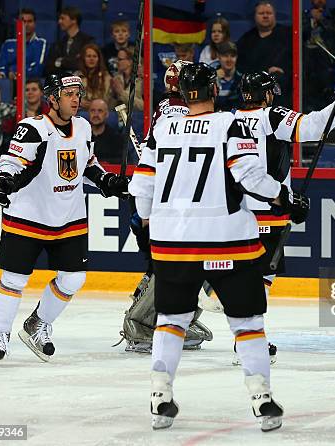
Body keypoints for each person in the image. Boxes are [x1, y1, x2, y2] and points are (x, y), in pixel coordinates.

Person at [128, 63, 308, 431]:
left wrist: (147, 227)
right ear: (213, 89)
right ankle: (261, 398)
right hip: (227, 240)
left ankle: (159, 396)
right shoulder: (229, 123)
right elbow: (251, 176)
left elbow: (142, 187)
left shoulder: (162, 128)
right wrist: (286, 198)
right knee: (247, 322)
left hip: (174, 242)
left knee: (172, 320)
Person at [0, 73, 129, 365]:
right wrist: (3, 180)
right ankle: (0, 333)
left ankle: (38, 323)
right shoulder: (33, 128)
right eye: (69, 94)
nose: (76, 99)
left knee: (74, 278)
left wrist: (106, 181)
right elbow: (12, 162)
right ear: (53, 98)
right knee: (14, 278)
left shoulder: (83, 127)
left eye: (78, 93)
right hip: (28, 214)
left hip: (69, 216)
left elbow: (87, 165)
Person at [233, 70, 335, 362]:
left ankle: (247, 335)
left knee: (253, 276)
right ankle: (248, 340)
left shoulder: (227, 119)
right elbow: (314, 128)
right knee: (260, 277)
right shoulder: (269, 116)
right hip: (268, 209)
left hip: (235, 210)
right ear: (266, 95)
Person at [118, 60, 215, 354]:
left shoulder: (170, 107)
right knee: (173, 263)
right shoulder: (177, 110)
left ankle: (172, 314)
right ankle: (142, 321)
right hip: (165, 198)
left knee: (185, 261)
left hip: (165, 196)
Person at [237, 1, 292, 107]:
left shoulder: (288, 35)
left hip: (284, 90)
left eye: (269, 13)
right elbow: (241, 67)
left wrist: (284, 70)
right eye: (261, 13)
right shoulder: (246, 39)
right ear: (254, 16)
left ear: (274, 15)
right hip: (255, 93)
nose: (265, 16)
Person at [0, 8, 47, 80]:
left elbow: (37, 70)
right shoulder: (8, 44)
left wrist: (13, 70)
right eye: (23, 21)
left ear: (35, 23)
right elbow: (0, 68)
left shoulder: (41, 43)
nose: (26, 24)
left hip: (30, 82)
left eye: (29, 21)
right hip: (8, 83)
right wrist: (6, 74)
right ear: (17, 23)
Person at [45, 6, 94, 75]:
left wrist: (60, 61)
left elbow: (83, 63)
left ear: (74, 20)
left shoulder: (87, 41)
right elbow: (49, 67)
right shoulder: (58, 44)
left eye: (62, 18)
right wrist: (72, 60)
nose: (59, 22)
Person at [77, 43, 112, 110]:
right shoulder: (77, 77)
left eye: (94, 56)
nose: (91, 59)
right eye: (88, 56)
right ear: (83, 58)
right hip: (82, 111)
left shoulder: (106, 77)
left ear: (99, 59)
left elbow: (107, 98)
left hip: (101, 110)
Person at [109, 47, 144, 111]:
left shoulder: (141, 80)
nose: (117, 62)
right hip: (119, 116)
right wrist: (114, 95)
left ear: (130, 62)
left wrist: (121, 92)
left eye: (120, 59)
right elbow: (110, 108)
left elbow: (143, 106)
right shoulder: (116, 79)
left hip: (137, 117)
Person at [88, 99, 122, 163]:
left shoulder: (116, 138)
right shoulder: (82, 136)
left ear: (106, 114)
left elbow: (120, 161)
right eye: (92, 111)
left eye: (100, 111)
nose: (96, 115)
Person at [214, 41, 242, 111]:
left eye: (232, 56)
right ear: (218, 56)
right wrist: (215, 78)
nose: (229, 60)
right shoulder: (211, 77)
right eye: (225, 56)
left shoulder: (242, 79)